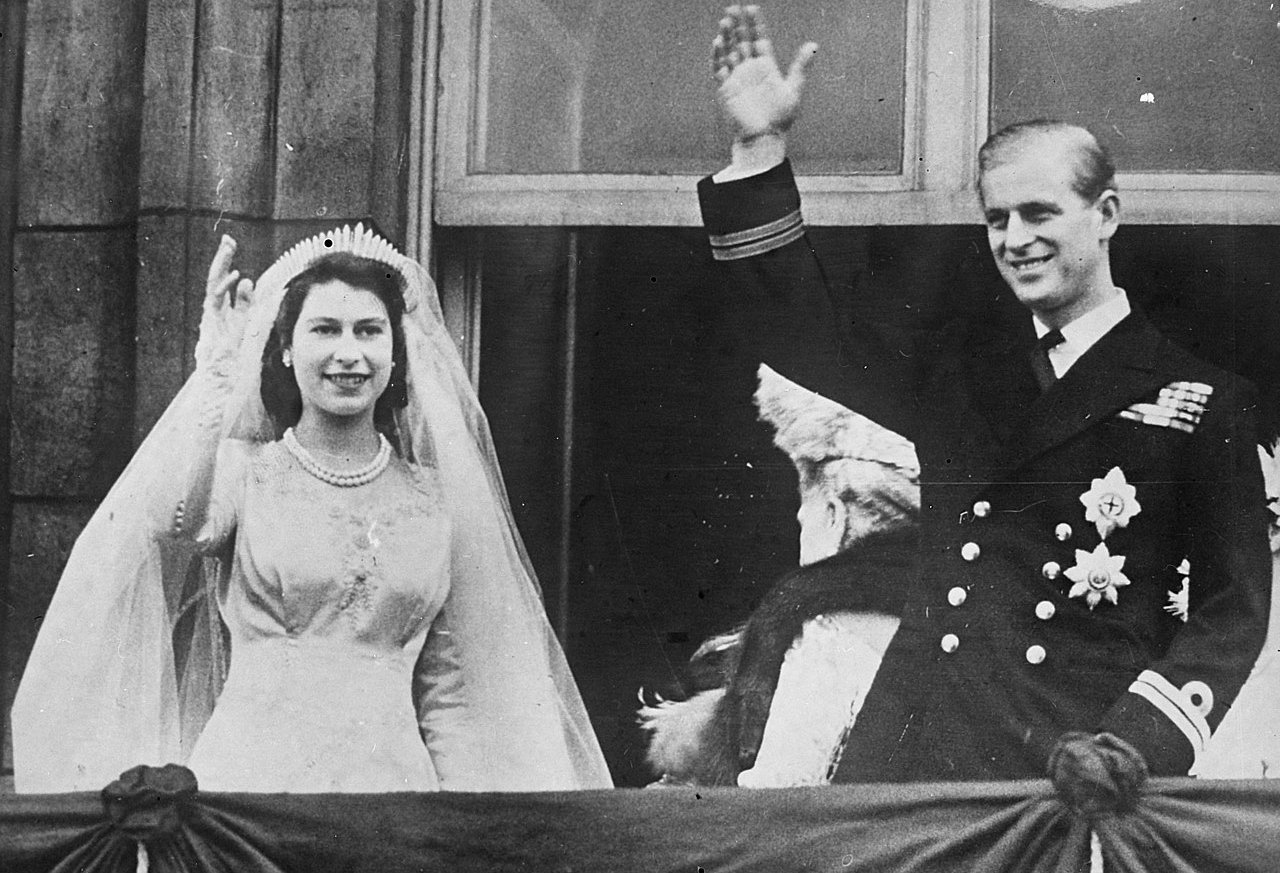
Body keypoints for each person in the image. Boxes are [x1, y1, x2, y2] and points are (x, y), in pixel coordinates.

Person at [700, 6, 1272, 788]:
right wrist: (759, 147)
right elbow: (800, 333)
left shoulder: (1201, 401)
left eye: (1040, 213)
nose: (1015, 239)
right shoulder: (961, 371)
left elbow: (1229, 610)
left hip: (1074, 764)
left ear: (1105, 215)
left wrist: (1135, 745)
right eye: (997, 218)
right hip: (913, 750)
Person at [12, 225, 613, 793]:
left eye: (369, 331)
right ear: (284, 349)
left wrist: (451, 822)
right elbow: (178, 525)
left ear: (396, 355)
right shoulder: (244, 470)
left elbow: (448, 691)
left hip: (393, 798)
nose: (348, 354)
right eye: (324, 329)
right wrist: (217, 374)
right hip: (253, 790)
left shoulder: (434, 499)